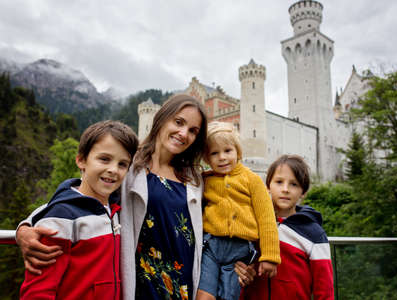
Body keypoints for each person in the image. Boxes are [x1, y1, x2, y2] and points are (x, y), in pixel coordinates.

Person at [17, 94, 255, 300]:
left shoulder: (194, 178)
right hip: (142, 286)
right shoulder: (131, 166)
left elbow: (229, 219)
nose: (183, 134)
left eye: (193, 131)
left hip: (185, 286)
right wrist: (26, 226)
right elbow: (81, 195)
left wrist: (246, 261)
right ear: (162, 118)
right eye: (179, 122)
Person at [19, 120, 139, 300]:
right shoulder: (60, 219)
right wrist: (25, 227)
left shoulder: (115, 210)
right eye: (104, 159)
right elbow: (38, 292)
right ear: (81, 160)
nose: (113, 170)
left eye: (122, 164)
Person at [197, 121, 280, 300]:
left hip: (239, 251)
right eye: (214, 153)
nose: (222, 157)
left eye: (227, 151)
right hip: (211, 246)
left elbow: (266, 219)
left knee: (228, 296)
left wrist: (270, 255)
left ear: (238, 151)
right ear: (207, 158)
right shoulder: (206, 180)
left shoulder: (252, 180)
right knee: (203, 295)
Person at [240, 154, 334, 300]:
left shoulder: (314, 234)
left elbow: (325, 289)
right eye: (279, 182)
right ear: (268, 187)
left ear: (303, 192)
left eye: (294, 184)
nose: (285, 189)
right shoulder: (251, 223)